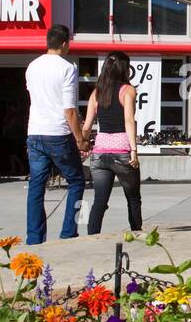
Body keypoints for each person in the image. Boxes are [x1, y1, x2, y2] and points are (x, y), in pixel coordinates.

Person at [24, 24, 87, 244]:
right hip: (58, 132)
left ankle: (34, 237)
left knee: (36, 186)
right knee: (77, 181)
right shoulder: (67, 68)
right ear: (64, 43)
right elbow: (69, 109)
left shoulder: (32, 66)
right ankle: (69, 232)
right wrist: (80, 139)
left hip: (35, 132)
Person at [81, 50, 142, 235]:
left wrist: (82, 143)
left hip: (100, 153)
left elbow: (88, 124)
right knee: (132, 197)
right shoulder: (128, 90)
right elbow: (129, 120)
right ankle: (136, 232)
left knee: (99, 200)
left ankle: (92, 237)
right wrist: (133, 150)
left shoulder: (96, 93)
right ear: (125, 68)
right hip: (122, 151)